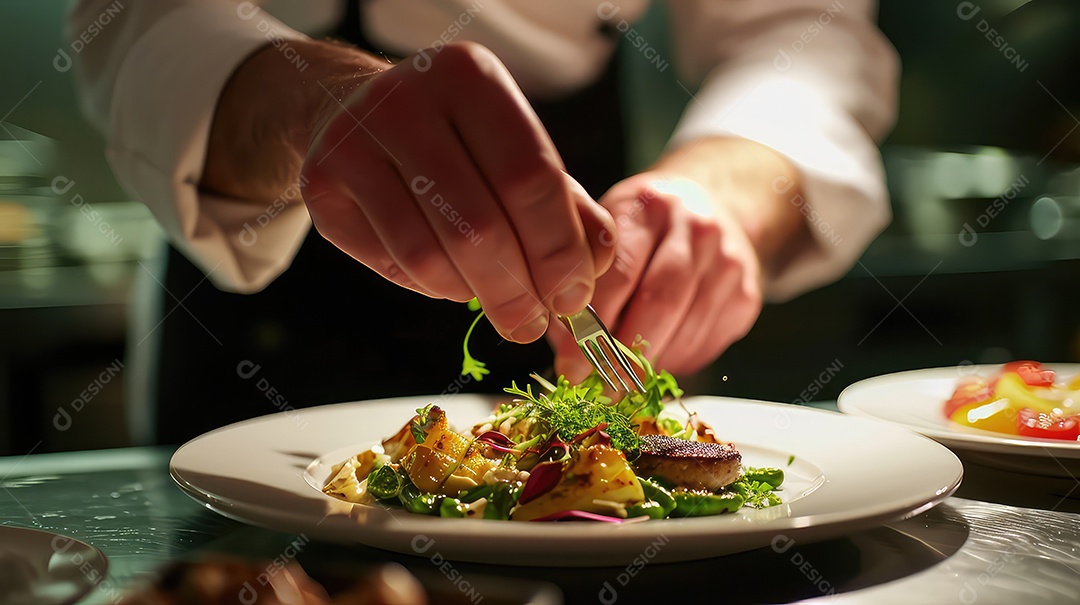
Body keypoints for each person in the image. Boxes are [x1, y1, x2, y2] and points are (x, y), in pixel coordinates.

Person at [68, 0, 897, 443]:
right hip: (253, 271)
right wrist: (309, 107)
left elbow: (799, 31)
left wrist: (721, 192)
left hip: (578, 210)